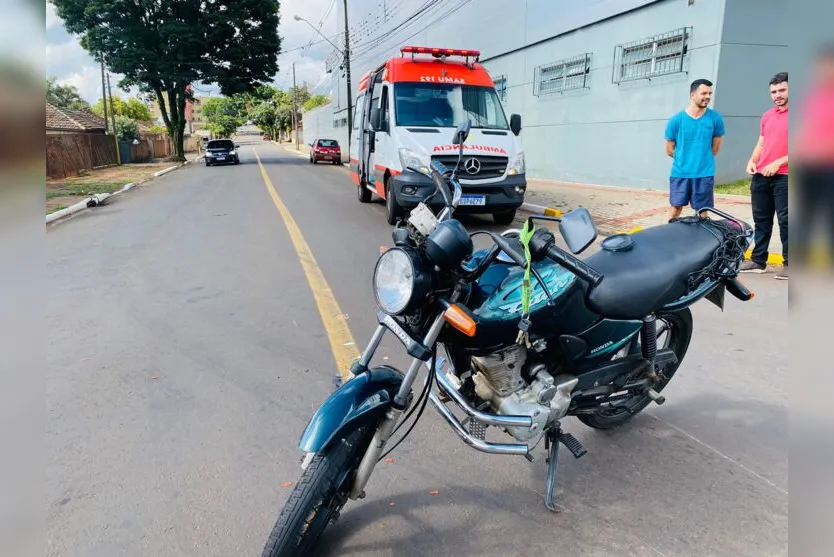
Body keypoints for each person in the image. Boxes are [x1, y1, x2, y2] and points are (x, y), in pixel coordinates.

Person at [740, 72, 789, 279]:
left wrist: (779, 162)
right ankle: (759, 260)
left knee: (787, 220)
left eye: (782, 90)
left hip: (785, 175)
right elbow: (761, 143)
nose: (777, 95)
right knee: (761, 220)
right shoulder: (767, 115)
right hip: (761, 175)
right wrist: (752, 161)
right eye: (773, 91)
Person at [664, 79, 726, 220]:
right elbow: (669, 150)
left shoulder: (715, 118)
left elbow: (715, 148)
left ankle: (703, 240)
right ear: (692, 95)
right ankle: (670, 238)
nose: (708, 96)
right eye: (704, 93)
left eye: (710, 93)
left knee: (703, 213)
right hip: (680, 174)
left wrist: (701, 160)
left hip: (704, 174)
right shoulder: (676, 120)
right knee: (675, 210)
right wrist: (685, 159)